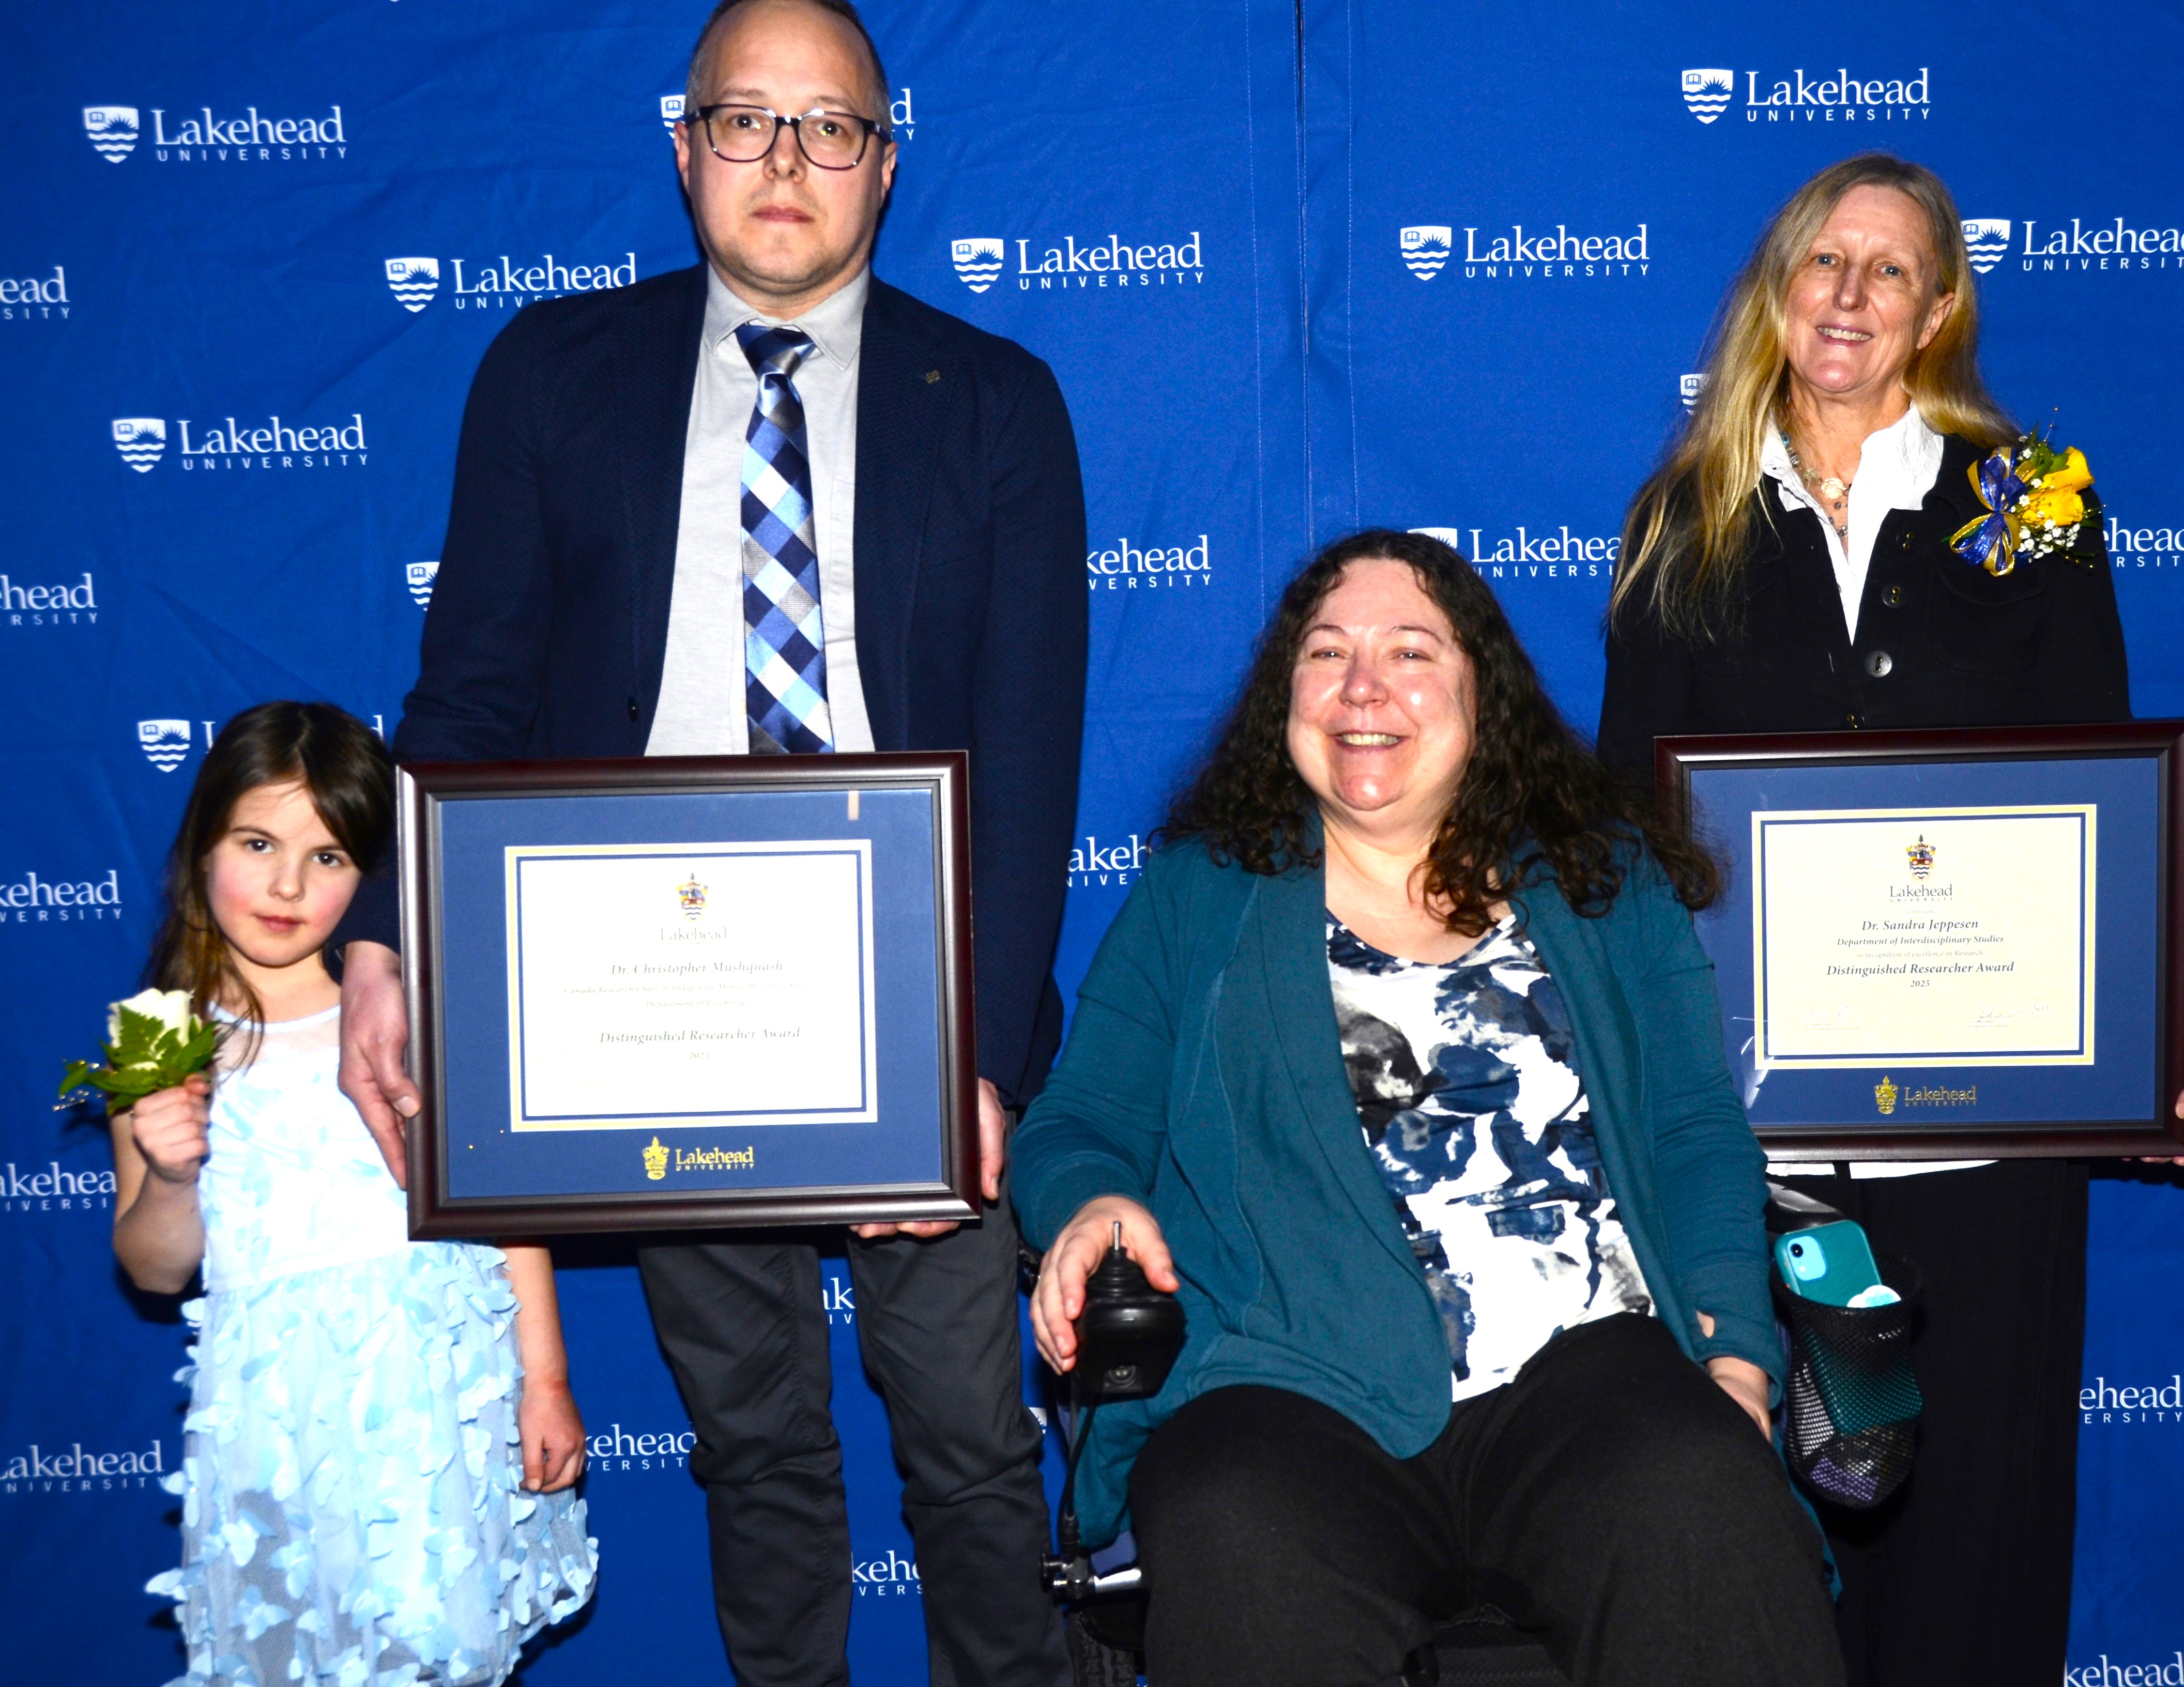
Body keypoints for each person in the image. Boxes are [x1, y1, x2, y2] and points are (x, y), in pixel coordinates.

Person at [329, 1, 1088, 1681]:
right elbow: (464, 695)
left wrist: (976, 1061)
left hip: (918, 1004)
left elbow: (1032, 766)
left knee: (968, 1442)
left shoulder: (1001, 408)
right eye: (746, 121)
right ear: (682, 148)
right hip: (648, 1011)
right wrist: (379, 934)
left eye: (830, 127)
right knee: (754, 1450)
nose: (786, 161)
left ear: (885, 164)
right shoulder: (548, 371)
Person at [1596, 153, 2184, 1687]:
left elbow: (2101, 762)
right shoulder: (1685, 512)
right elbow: (1630, 823)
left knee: (1979, 1539)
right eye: (1826, 260)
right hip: (1765, 1141)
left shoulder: (2028, 500)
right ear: (1778, 285)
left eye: (1891, 270)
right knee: (1761, 1543)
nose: (1851, 294)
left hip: (1991, 1127)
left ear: (1940, 308)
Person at [1012, 530, 1844, 1687]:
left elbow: (1694, 1134)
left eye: (1410, 651)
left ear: (1478, 694)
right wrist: (1092, 1200)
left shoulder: (1600, 880)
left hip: (1584, 1369)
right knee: (1230, 1526)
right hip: (1285, 1379)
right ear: (1284, 696)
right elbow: (1074, 1118)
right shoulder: (1198, 893)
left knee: (1702, 1488)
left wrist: (1739, 1362)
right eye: (1327, 653)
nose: (1364, 688)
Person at [112, 702, 596, 1686]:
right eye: (258, 843)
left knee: (443, 1649)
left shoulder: (406, 1013)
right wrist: (170, 1172)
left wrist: (543, 1379)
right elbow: (157, 1268)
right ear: (203, 844)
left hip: (435, 1401)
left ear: (375, 879)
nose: (288, 885)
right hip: (274, 1414)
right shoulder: (156, 1031)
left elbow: (502, 1212)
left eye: (329, 858)